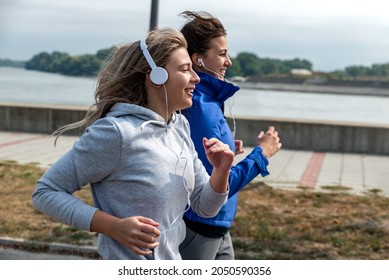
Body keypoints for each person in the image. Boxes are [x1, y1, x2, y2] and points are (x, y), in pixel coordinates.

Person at [32, 27, 235, 260]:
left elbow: (205, 207)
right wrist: (112, 226)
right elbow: (46, 192)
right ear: (157, 77)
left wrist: (221, 171)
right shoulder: (116, 133)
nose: (196, 78)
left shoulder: (180, 126)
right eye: (184, 69)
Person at [178, 11, 282, 260]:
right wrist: (263, 153)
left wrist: (223, 154)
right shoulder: (200, 106)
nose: (229, 62)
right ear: (198, 59)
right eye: (222, 54)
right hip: (200, 229)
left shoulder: (207, 101)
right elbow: (215, 188)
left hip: (216, 227)